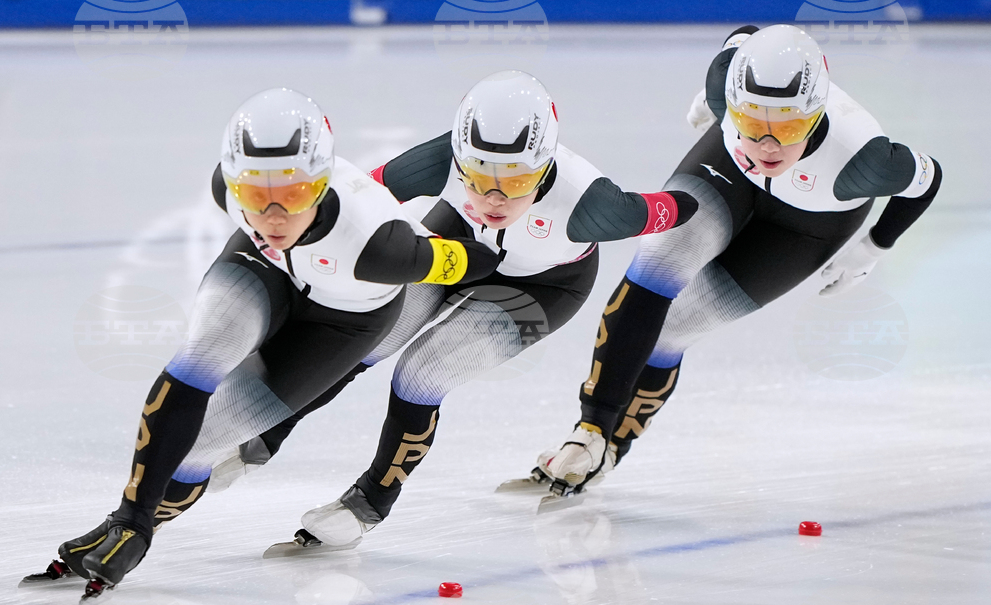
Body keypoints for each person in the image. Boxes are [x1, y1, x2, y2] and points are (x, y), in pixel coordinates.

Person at [165, 70, 699, 554]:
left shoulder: (593, 205)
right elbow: (359, 195)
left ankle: (371, 500)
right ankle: (263, 435)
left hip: (544, 287)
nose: (492, 198)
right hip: (452, 248)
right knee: (365, 337)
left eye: (514, 183)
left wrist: (706, 191)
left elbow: (670, 208)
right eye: (476, 176)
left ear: (545, 168)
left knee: (424, 371)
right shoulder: (443, 157)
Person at [23, 88, 498, 598]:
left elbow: (474, 260)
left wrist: (504, 238)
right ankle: (129, 524)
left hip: (344, 322)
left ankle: (137, 525)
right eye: (254, 197)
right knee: (205, 351)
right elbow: (192, 371)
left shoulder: (382, 247)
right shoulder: (224, 189)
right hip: (264, 269)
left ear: (319, 187)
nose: (272, 218)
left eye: (292, 197)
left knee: (206, 443)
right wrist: (135, 516)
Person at [523, 24, 942, 498]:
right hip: (727, 171)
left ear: (816, 114)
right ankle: (592, 433)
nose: (767, 146)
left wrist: (874, 245)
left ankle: (615, 445)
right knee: (659, 261)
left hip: (808, 226)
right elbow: (743, 35)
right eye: (752, 123)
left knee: (679, 324)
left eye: (786, 128)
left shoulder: (864, 161)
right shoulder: (726, 83)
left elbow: (928, 180)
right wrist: (719, 107)